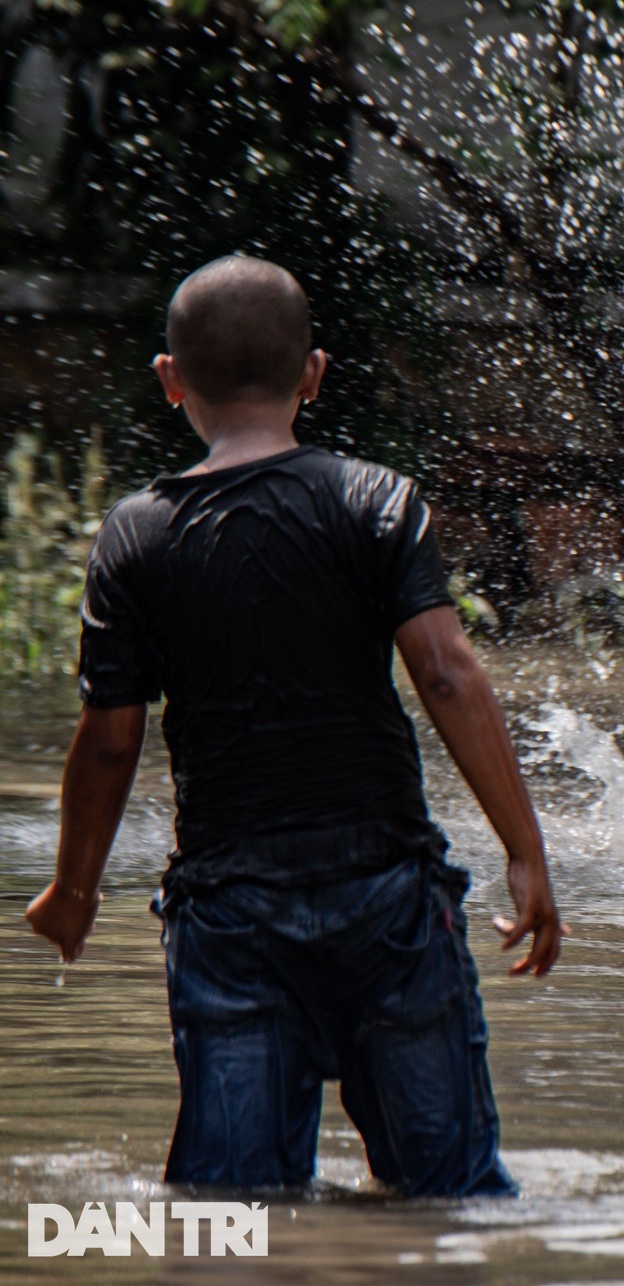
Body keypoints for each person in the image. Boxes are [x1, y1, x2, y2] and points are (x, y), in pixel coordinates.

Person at [22, 255, 565, 1197]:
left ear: (169, 381)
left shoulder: (135, 535)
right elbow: (444, 671)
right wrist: (526, 847)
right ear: (312, 374)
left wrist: (74, 888)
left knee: (229, 1219)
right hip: (391, 898)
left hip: (230, 913)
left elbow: (111, 738)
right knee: (451, 1203)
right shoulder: (377, 501)